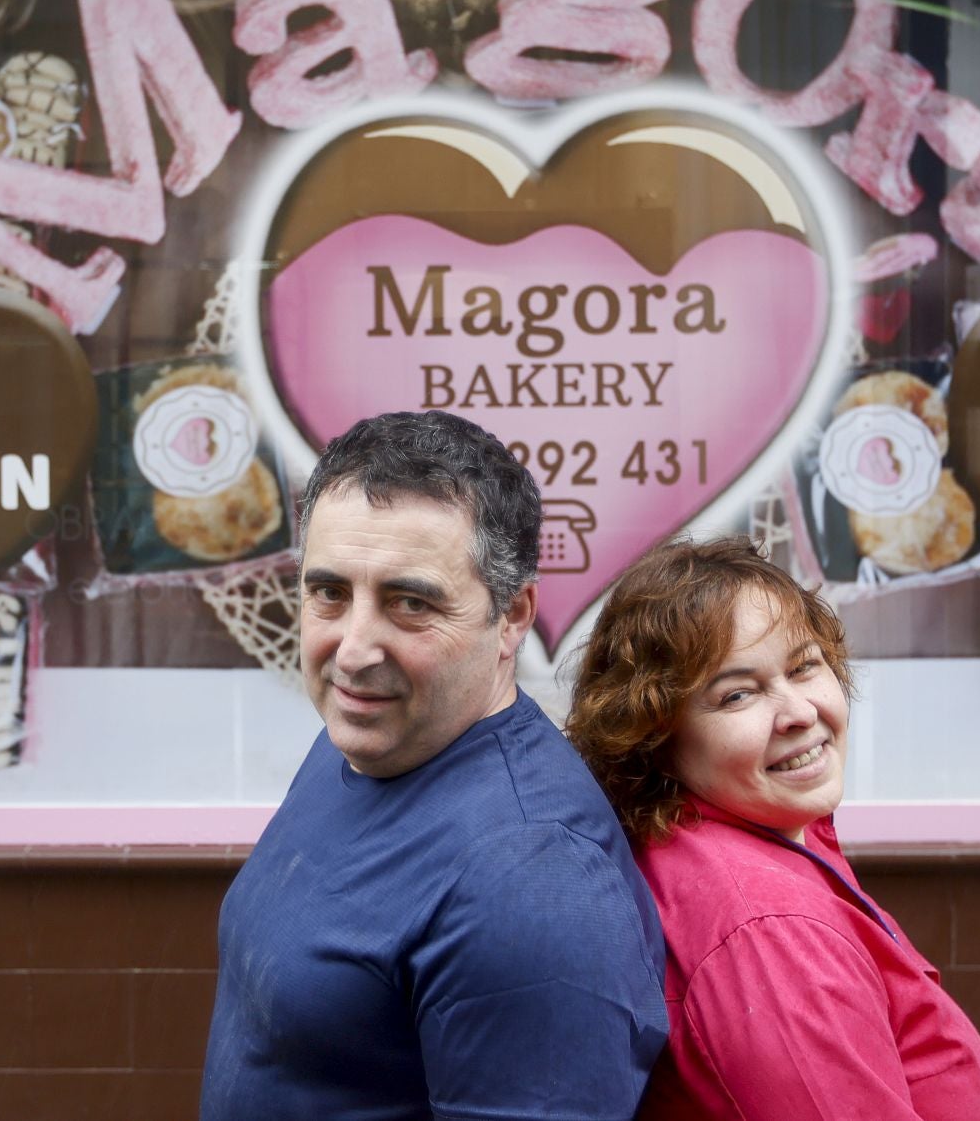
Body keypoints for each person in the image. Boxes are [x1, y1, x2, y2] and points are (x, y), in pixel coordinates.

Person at [200, 410, 668, 1121]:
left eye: (409, 602)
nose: (353, 649)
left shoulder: (531, 882)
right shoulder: (369, 734)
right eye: (329, 592)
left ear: (512, 617)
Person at [568, 536, 980, 1121]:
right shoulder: (768, 932)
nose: (799, 711)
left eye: (804, 667)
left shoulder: (758, 831)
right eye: (738, 695)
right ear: (655, 737)